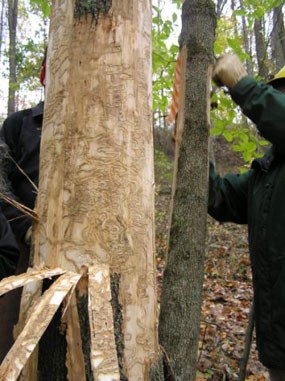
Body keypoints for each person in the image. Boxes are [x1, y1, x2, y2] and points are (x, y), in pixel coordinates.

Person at [209, 53, 285, 381]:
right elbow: (217, 196)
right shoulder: (264, 175)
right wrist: (196, 138)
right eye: (278, 92)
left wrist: (242, 85)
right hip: (279, 348)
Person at [0, 51, 45, 361]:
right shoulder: (19, 124)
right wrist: (25, 225)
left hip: (75, 248)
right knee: (9, 333)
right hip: (19, 242)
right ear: (44, 73)